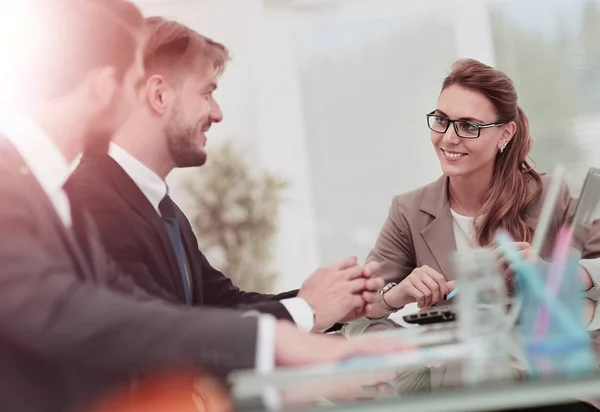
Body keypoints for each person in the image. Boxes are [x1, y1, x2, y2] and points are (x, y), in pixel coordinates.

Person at [0, 2, 408, 411]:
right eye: (133, 83)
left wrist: (300, 326)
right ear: (103, 88)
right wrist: (276, 335)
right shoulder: (23, 186)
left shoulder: (47, 190)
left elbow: (142, 310)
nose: (138, 101)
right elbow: (74, 314)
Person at [66, 16, 382, 332]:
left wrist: (333, 301)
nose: (217, 113)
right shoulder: (91, 202)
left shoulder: (159, 205)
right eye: (206, 93)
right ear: (159, 95)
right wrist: (307, 309)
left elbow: (222, 305)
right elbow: (164, 336)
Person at [357, 58, 600, 320]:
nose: (449, 138)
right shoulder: (408, 212)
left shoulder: (550, 196)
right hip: (457, 361)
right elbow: (356, 306)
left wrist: (557, 275)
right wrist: (396, 295)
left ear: (505, 134)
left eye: (468, 126)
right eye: (441, 120)